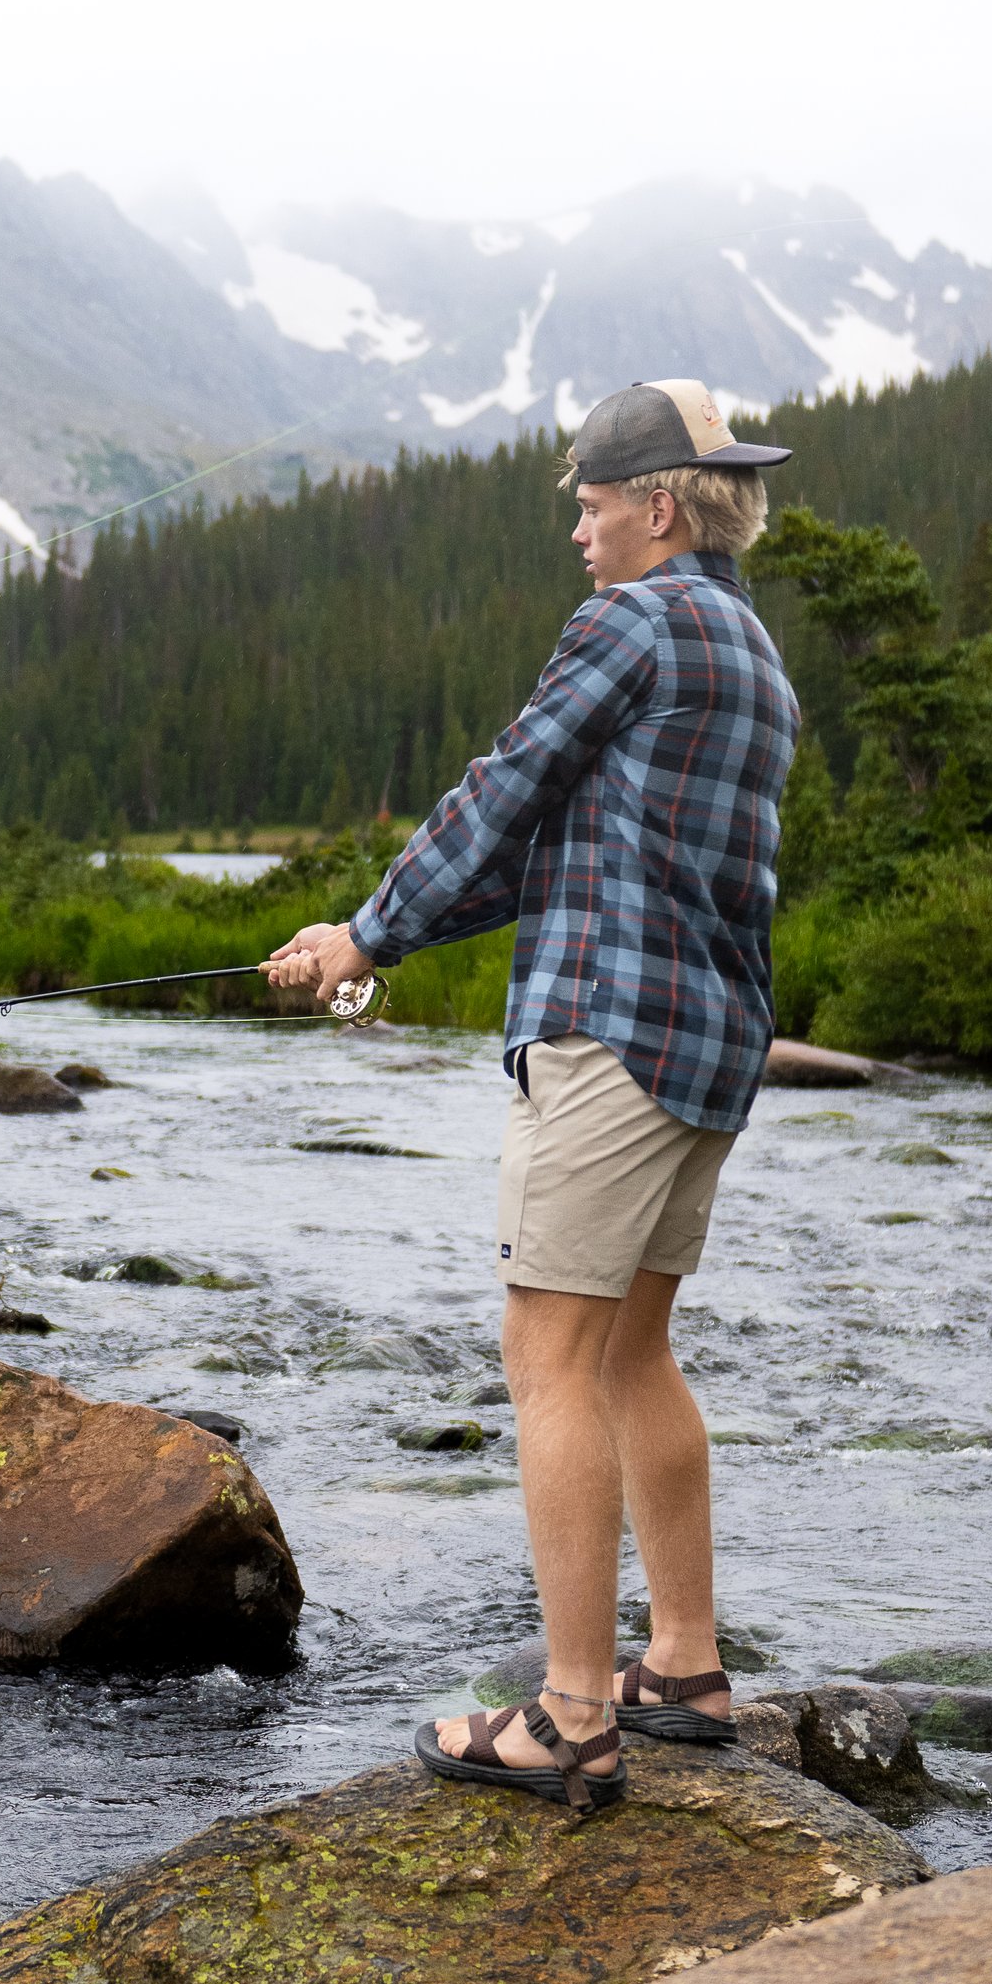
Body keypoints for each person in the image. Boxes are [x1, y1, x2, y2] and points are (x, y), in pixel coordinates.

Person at [265, 378, 799, 1813]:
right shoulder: (748, 647)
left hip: (608, 1041)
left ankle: (572, 1717)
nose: (576, 520)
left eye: (591, 496)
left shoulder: (629, 622)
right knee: (635, 1353)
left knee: (550, 1359)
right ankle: (682, 1666)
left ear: (659, 505)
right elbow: (551, 846)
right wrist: (376, 935)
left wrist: (361, 936)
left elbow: (501, 794)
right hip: (710, 1053)